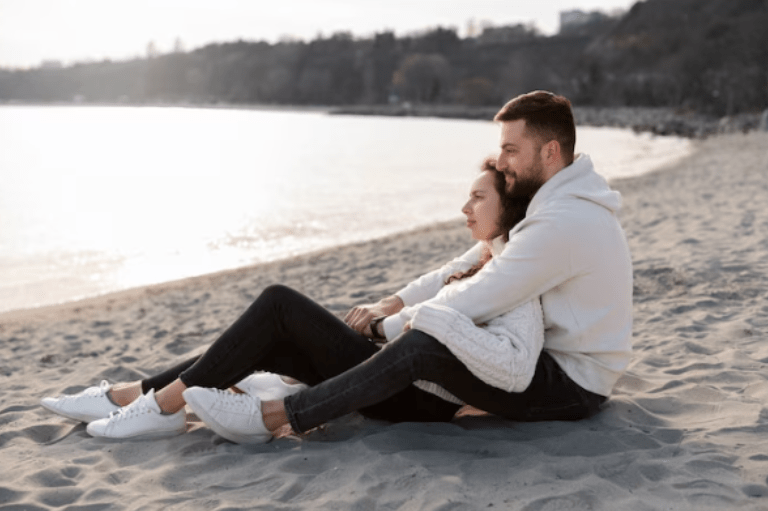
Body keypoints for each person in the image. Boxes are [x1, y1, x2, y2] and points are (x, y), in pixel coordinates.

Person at [41, 156, 549, 442]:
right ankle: (133, 395)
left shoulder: (515, 275)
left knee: (279, 302)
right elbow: (434, 279)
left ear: (509, 206)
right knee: (271, 339)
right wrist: (391, 306)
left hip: (414, 393)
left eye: (478, 198)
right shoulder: (487, 252)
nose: (465, 206)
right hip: (394, 375)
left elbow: (515, 364)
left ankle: (162, 406)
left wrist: (415, 323)